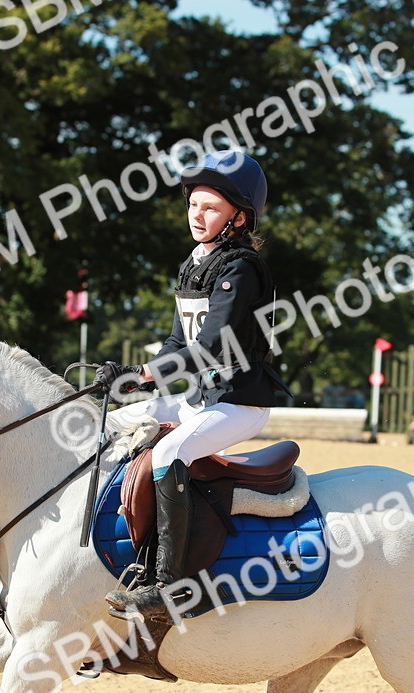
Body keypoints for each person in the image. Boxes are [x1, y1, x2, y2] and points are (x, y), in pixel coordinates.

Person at [96, 150, 287, 620]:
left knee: (168, 453)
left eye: (211, 208)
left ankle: (168, 582)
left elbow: (213, 347)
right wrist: (132, 386)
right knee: (108, 421)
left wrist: (141, 374)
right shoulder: (195, 262)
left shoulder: (239, 267)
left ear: (238, 218)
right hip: (200, 399)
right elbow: (177, 340)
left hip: (239, 403)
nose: (198, 216)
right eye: (194, 205)